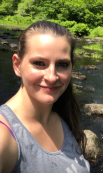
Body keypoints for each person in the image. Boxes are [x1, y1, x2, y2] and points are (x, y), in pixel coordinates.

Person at [0, 21, 90, 173]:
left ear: (72, 66)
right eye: (39, 63)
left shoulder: (63, 113)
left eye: (62, 64)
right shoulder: (5, 136)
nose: (52, 77)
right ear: (17, 65)